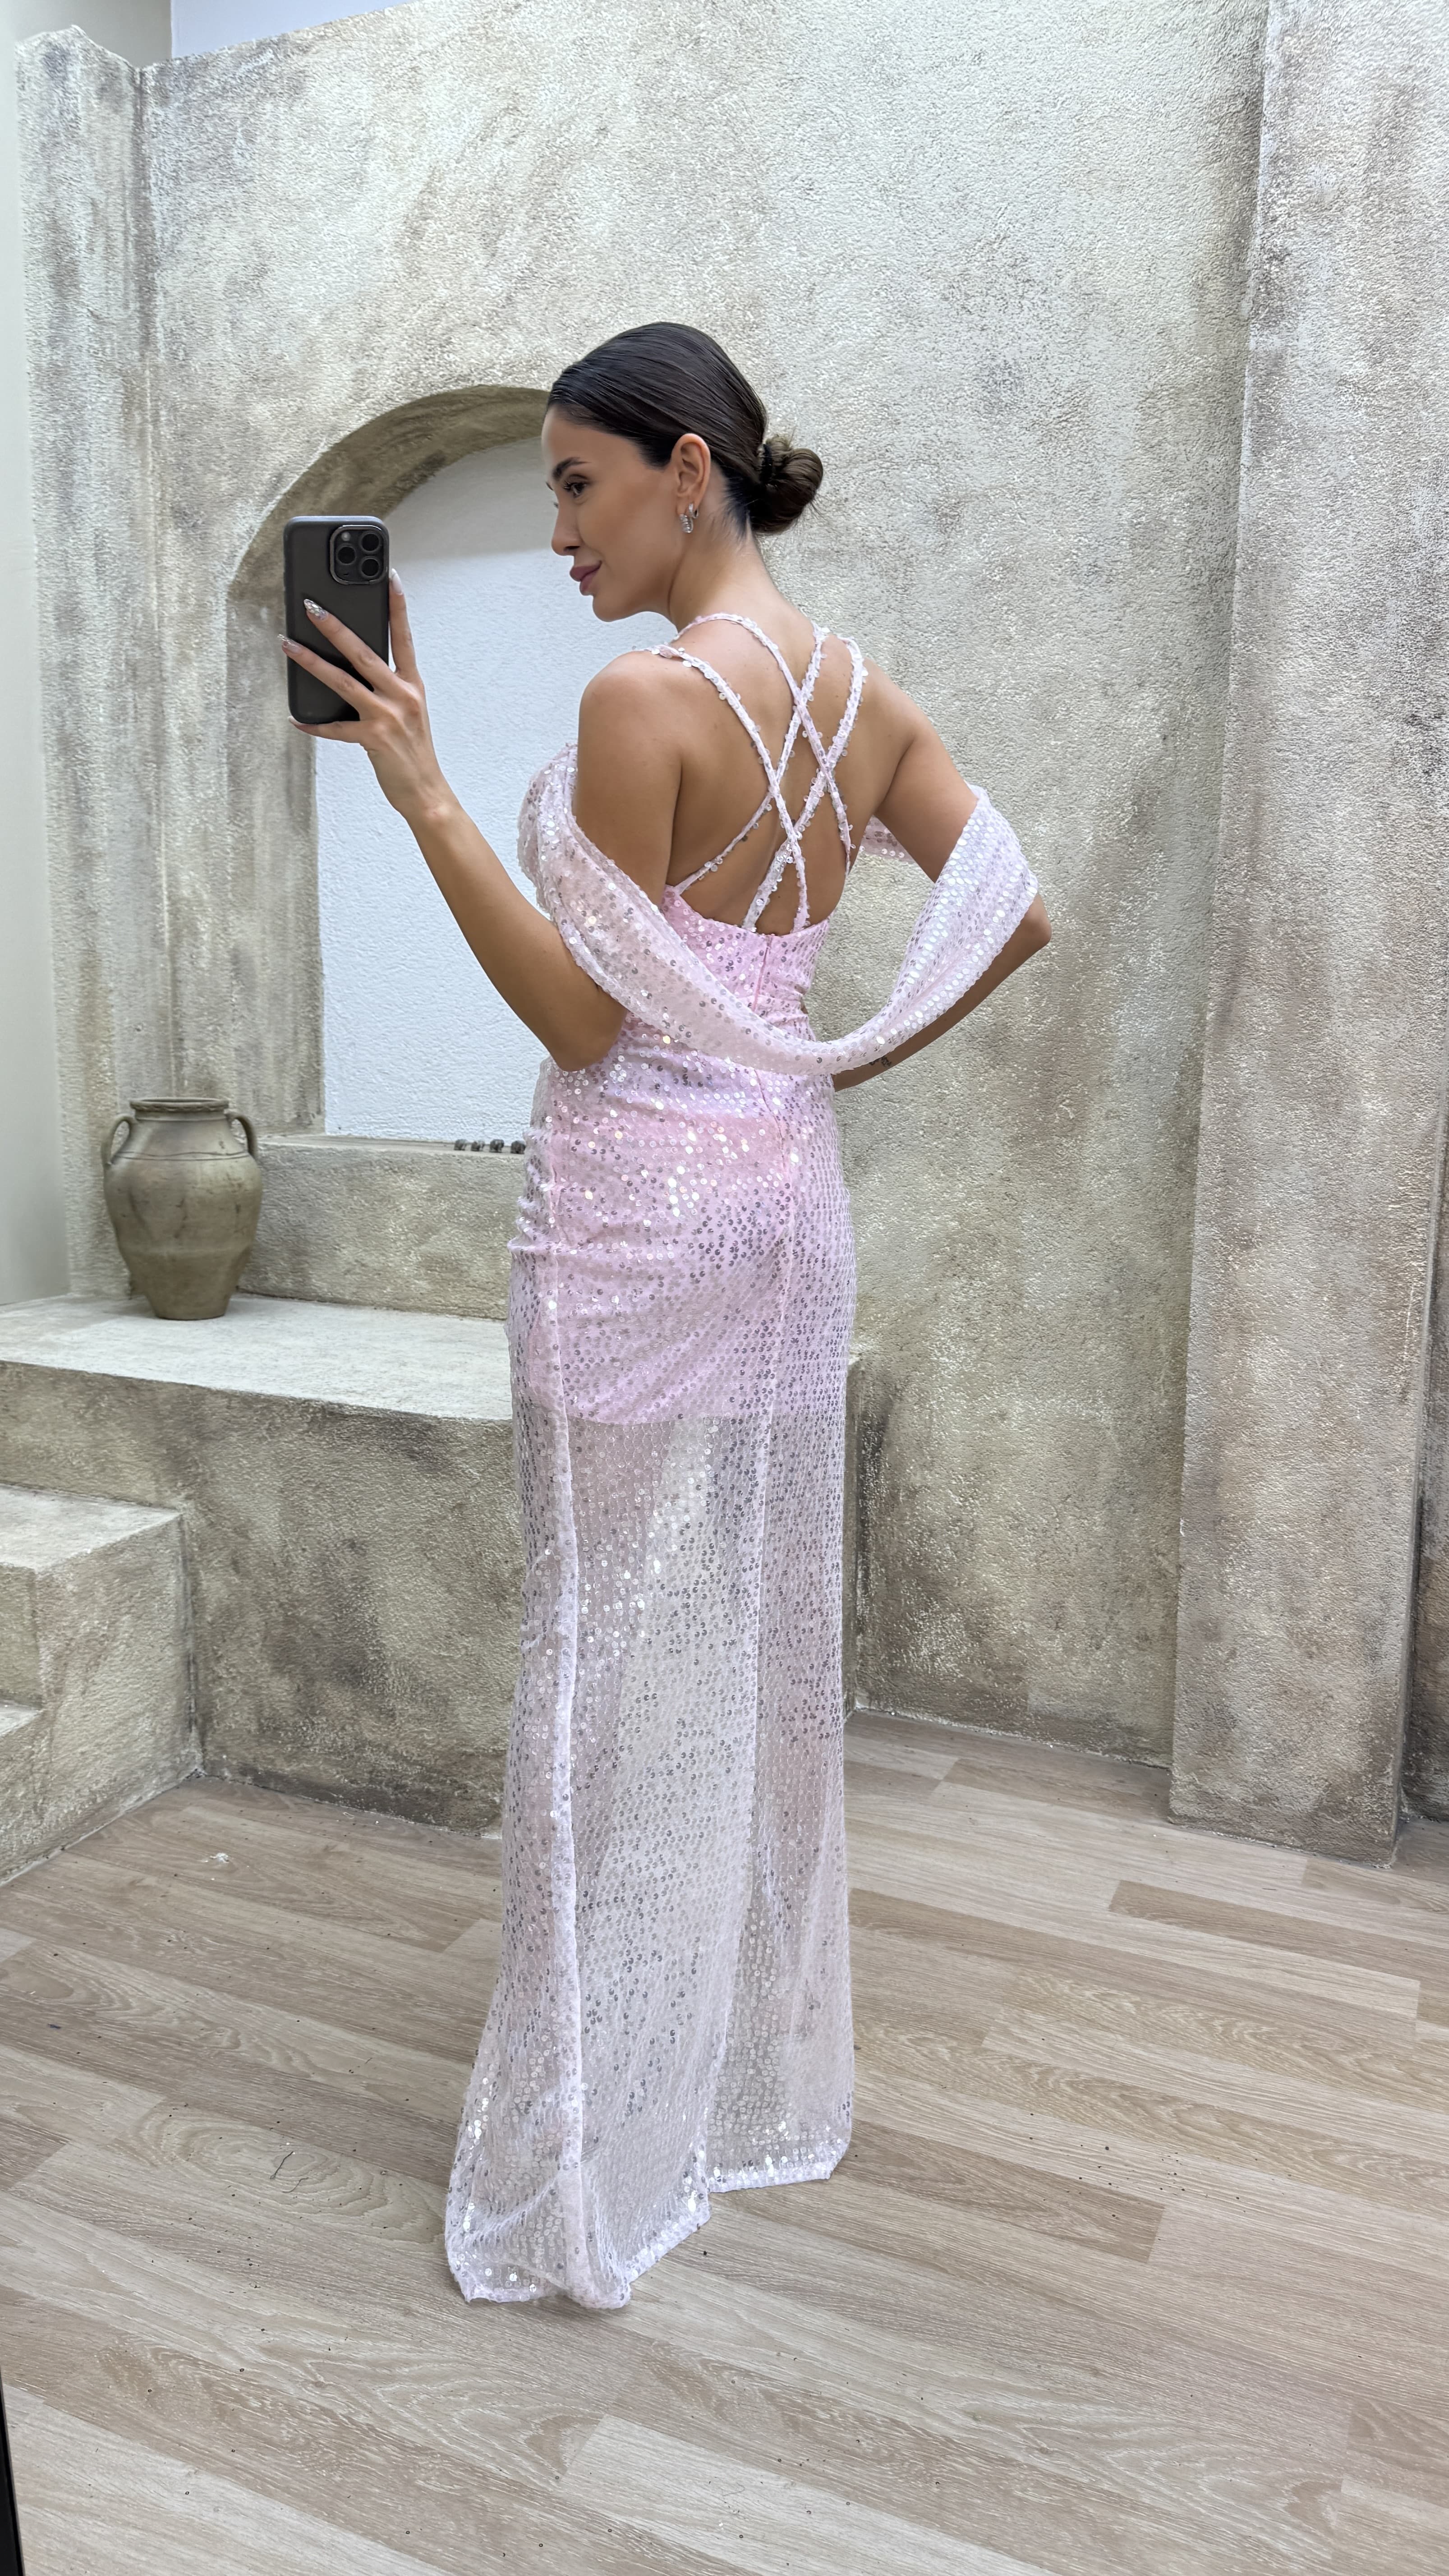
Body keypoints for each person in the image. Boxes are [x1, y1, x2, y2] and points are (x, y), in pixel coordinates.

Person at [281, 322, 1051, 2309]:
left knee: (596, 1661)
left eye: (576, 482)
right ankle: (713, 2073)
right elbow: (1016, 909)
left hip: (633, 1222)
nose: (560, 530)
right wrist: (816, 1063)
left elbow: (584, 1024)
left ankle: (581, 2162)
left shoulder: (646, 699)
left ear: (687, 469)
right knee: (742, 1644)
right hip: (785, 1211)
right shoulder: (865, 698)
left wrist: (423, 792)